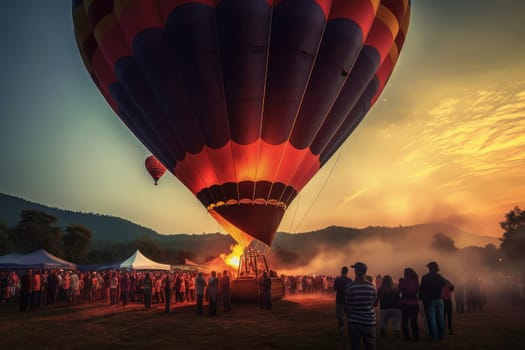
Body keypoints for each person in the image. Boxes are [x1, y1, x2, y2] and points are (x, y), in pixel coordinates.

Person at [345, 262, 377, 350]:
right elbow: (374, 303)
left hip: (354, 321)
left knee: (355, 346)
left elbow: (347, 305)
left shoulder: (350, 286)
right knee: (370, 347)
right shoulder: (372, 287)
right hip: (369, 322)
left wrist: (350, 316)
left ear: (357, 271)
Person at [419, 261, 447, 340]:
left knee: (431, 319)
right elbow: (449, 285)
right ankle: (441, 335)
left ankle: (433, 336)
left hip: (429, 300)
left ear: (429, 269)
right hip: (439, 299)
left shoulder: (425, 277)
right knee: (440, 318)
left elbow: (422, 289)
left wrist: (420, 298)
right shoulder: (440, 277)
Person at [398, 267, 420, 341]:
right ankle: (416, 336)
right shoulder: (416, 281)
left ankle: (406, 337)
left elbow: (399, 291)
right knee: (414, 321)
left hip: (405, 303)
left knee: (404, 321)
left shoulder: (403, 281)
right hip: (414, 303)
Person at [333, 266, 353, 336]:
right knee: (350, 317)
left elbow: (335, 289)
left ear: (341, 271)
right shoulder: (349, 280)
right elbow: (352, 291)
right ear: (347, 272)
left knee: (340, 317)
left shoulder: (337, 279)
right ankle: (351, 330)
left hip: (339, 300)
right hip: (348, 301)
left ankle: (341, 329)